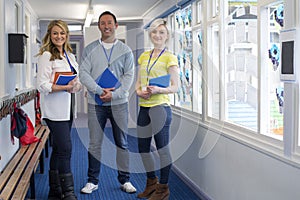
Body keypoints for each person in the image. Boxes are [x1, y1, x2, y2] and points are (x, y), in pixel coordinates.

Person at [79, 11, 136, 194]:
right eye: (103, 23)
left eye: (110, 22)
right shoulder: (90, 49)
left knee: (122, 143)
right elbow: (83, 74)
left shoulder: (125, 50)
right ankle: (92, 181)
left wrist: (115, 94)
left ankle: (125, 180)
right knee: (95, 143)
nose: (106, 26)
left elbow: (129, 76)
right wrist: (98, 90)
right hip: (96, 103)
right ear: (99, 27)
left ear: (116, 25)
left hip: (119, 103)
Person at [37, 20, 82, 200]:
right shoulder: (46, 56)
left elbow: (75, 81)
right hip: (54, 111)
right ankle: (68, 192)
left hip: (68, 108)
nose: (59, 36)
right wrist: (63, 87)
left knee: (58, 148)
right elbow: (41, 85)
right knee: (65, 148)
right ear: (50, 35)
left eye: (62, 33)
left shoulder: (69, 55)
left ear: (66, 35)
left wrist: (75, 86)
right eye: (55, 33)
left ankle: (55, 191)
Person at [135, 18, 179, 200]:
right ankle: (151, 183)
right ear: (150, 35)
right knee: (143, 149)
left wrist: (160, 89)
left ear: (167, 36)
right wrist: (139, 92)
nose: (157, 35)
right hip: (144, 108)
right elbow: (138, 82)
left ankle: (163, 189)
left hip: (160, 107)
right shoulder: (144, 56)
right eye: (154, 32)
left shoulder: (170, 57)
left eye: (162, 32)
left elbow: (175, 87)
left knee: (162, 150)